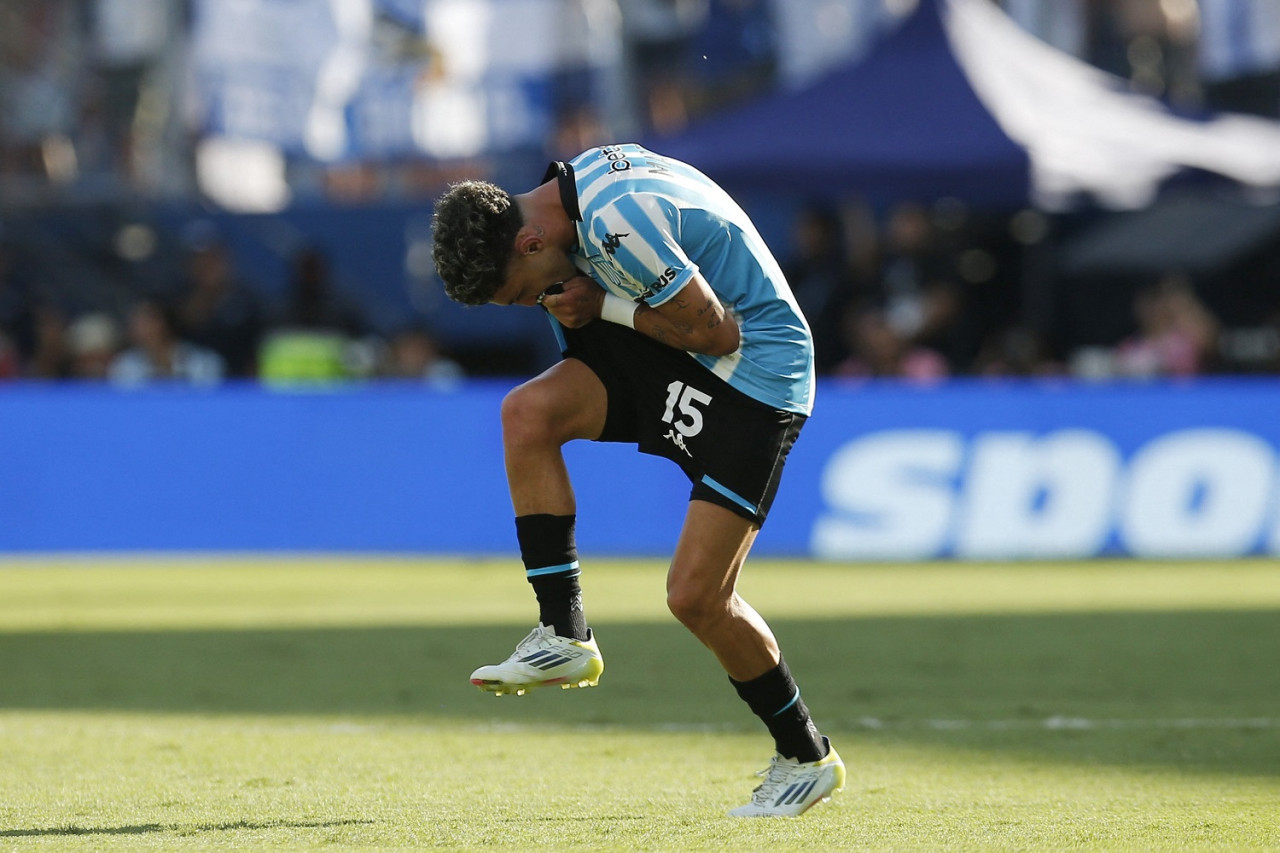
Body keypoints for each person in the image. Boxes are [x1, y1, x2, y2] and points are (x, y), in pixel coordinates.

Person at [430, 143, 844, 818]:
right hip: (683, 343)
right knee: (526, 414)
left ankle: (806, 757)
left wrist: (604, 309)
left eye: (523, 291)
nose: (535, 302)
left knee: (696, 596)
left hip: (757, 373)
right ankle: (563, 632)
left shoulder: (616, 223)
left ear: (530, 241)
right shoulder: (568, 199)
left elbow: (715, 332)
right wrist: (594, 304)